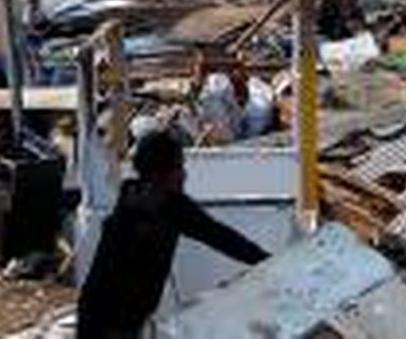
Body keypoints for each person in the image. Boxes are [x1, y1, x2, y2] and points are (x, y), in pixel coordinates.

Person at [77, 129, 268, 338]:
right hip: (113, 322)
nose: (184, 174)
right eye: (179, 167)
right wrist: (268, 262)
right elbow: (220, 236)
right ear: (159, 173)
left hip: (102, 314)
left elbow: (219, 235)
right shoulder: (168, 207)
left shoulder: (133, 195)